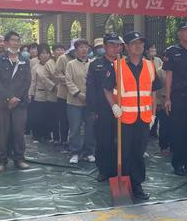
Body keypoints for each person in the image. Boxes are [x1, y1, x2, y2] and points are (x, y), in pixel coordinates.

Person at [103, 31, 160, 201]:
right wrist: (113, 105)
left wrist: (153, 114)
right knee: (124, 151)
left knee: (139, 152)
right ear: (126, 47)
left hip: (143, 118)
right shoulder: (117, 66)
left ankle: (137, 185)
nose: (139, 46)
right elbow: (106, 88)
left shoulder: (150, 66)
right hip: (125, 117)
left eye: (141, 43)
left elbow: (153, 92)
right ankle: (123, 182)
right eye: (134, 43)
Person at [163, 21, 187, 176]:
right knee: (179, 131)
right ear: (179, 33)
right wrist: (167, 97)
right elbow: (169, 75)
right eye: (185, 31)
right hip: (178, 96)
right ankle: (178, 163)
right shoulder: (172, 52)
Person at [0, 30, 31, 172]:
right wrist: (9, 97)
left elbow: (27, 81)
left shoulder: (24, 60)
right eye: (13, 40)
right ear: (6, 43)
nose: (16, 43)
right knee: (2, 132)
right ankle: (1, 160)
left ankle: (19, 159)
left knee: (19, 131)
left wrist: (17, 98)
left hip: (20, 103)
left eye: (17, 40)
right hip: (2, 103)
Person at [86, 33, 121, 182]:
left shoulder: (124, 64)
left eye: (117, 45)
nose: (115, 48)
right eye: (111, 45)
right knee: (103, 141)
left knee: (119, 141)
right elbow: (91, 89)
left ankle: (117, 169)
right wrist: (93, 111)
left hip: (121, 110)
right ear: (105, 46)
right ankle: (104, 170)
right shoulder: (96, 65)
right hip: (103, 109)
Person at [66, 38, 95, 164]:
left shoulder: (93, 63)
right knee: (75, 127)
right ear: (76, 50)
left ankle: (88, 152)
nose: (84, 49)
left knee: (90, 127)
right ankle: (75, 152)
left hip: (90, 102)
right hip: (74, 102)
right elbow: (68, 81)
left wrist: (91, 96)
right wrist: (78, 93)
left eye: (86, 47)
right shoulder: (71, 64)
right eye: (81, 47)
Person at [54, 39, 78, 147]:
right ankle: (63, 140)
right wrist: (70, 81)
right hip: (64, 94)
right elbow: (57, 74)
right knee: (64, 119)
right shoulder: (63, 58)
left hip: (78, 96)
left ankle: (74, 142)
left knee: (75, 121)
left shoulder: (85, 60)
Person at [29, 44, 54, 143]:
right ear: (39, 55)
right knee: (38, 116)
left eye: (47, 53)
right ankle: (37, 135)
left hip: (52, 94)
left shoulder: (53, 64)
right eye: (42, 53)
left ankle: (47, 135)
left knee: (48, 116)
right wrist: (30, 94)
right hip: (39, 94)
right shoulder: (35, 67)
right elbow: (33, 81)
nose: (45, 55)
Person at [44, 44, 66, 145]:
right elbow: (45, 78)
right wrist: (53, 86)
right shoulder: (49, 63)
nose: (60, 51)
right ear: (53, 52)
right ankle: (56, 137)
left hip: (65, 93)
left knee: (64, 118)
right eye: (58, 50)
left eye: (62, 49)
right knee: (54, 118)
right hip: (53, 94)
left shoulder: (67, 61)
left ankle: (64, 139)